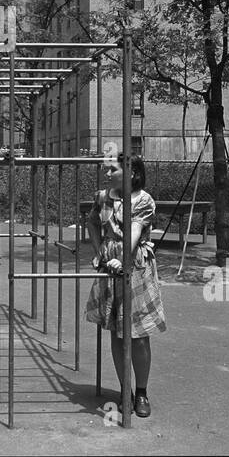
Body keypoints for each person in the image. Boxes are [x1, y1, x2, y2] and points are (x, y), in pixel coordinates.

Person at [84, 154, 164, 418]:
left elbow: (135, 231)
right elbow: (92, 223)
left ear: (129, 172)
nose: (107, 173)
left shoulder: (143, 200)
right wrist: (98, 252)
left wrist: (123, 259)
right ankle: (124, 390)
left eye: (112, 169)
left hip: (135, 267)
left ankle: (141, 391)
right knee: (117, 333)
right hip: (110, 268)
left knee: (138, 334)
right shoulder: (102, 197)